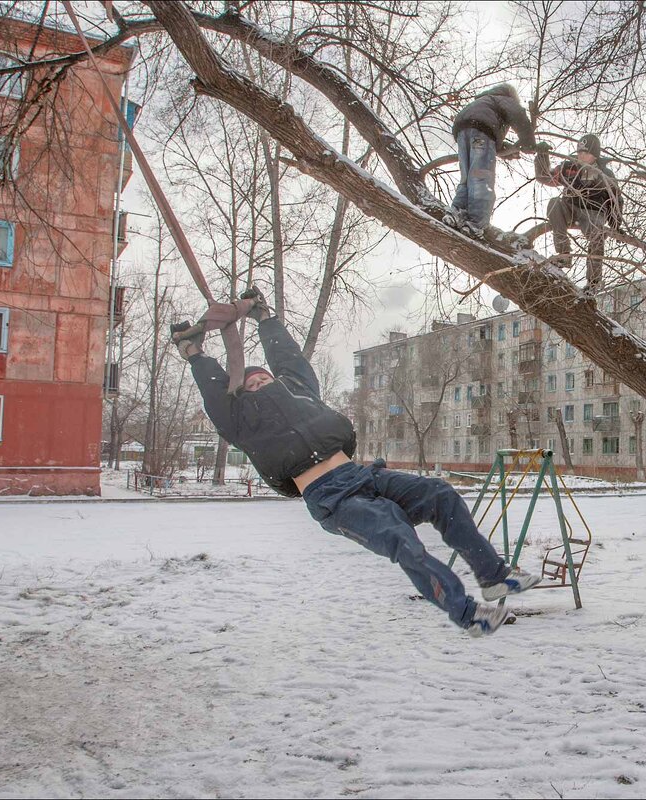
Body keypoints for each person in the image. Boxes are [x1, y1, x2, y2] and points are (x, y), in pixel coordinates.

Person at [171, 289, 539, 637]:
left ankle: (493, 576)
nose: (260, 384)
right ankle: (468, 614)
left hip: (362, 475)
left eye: (264, 378)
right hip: (332, 498)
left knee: (440, 494)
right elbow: (214, 391)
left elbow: (287, 358)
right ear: (241, 395)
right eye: (251, 384)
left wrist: (265, 318)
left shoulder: (298, 388)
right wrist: (195, 353)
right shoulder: (240, 420)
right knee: (399, 536)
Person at [534, 134, 622, 293]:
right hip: (571, 207)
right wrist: (542, 156)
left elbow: (615, 199)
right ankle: (564, 254)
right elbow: (545, 177)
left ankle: (593, 282)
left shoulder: (604, 173)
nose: (581, 156)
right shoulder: (568, 167)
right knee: (554, 203)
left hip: (594, 212)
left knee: (597, 234)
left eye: (586, 153)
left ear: (595, 155)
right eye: (580, 152)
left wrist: (616, 224)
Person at [444, 83, 536, 237]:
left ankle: (456, 213)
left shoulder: (484, 101)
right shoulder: (504, 98)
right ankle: (475, 222)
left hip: (463, 132)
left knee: (467, 177)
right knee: (481, 177)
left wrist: (507, 152)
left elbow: (490, 144)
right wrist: (528, 141)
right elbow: (517, 114)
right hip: (481, 132)